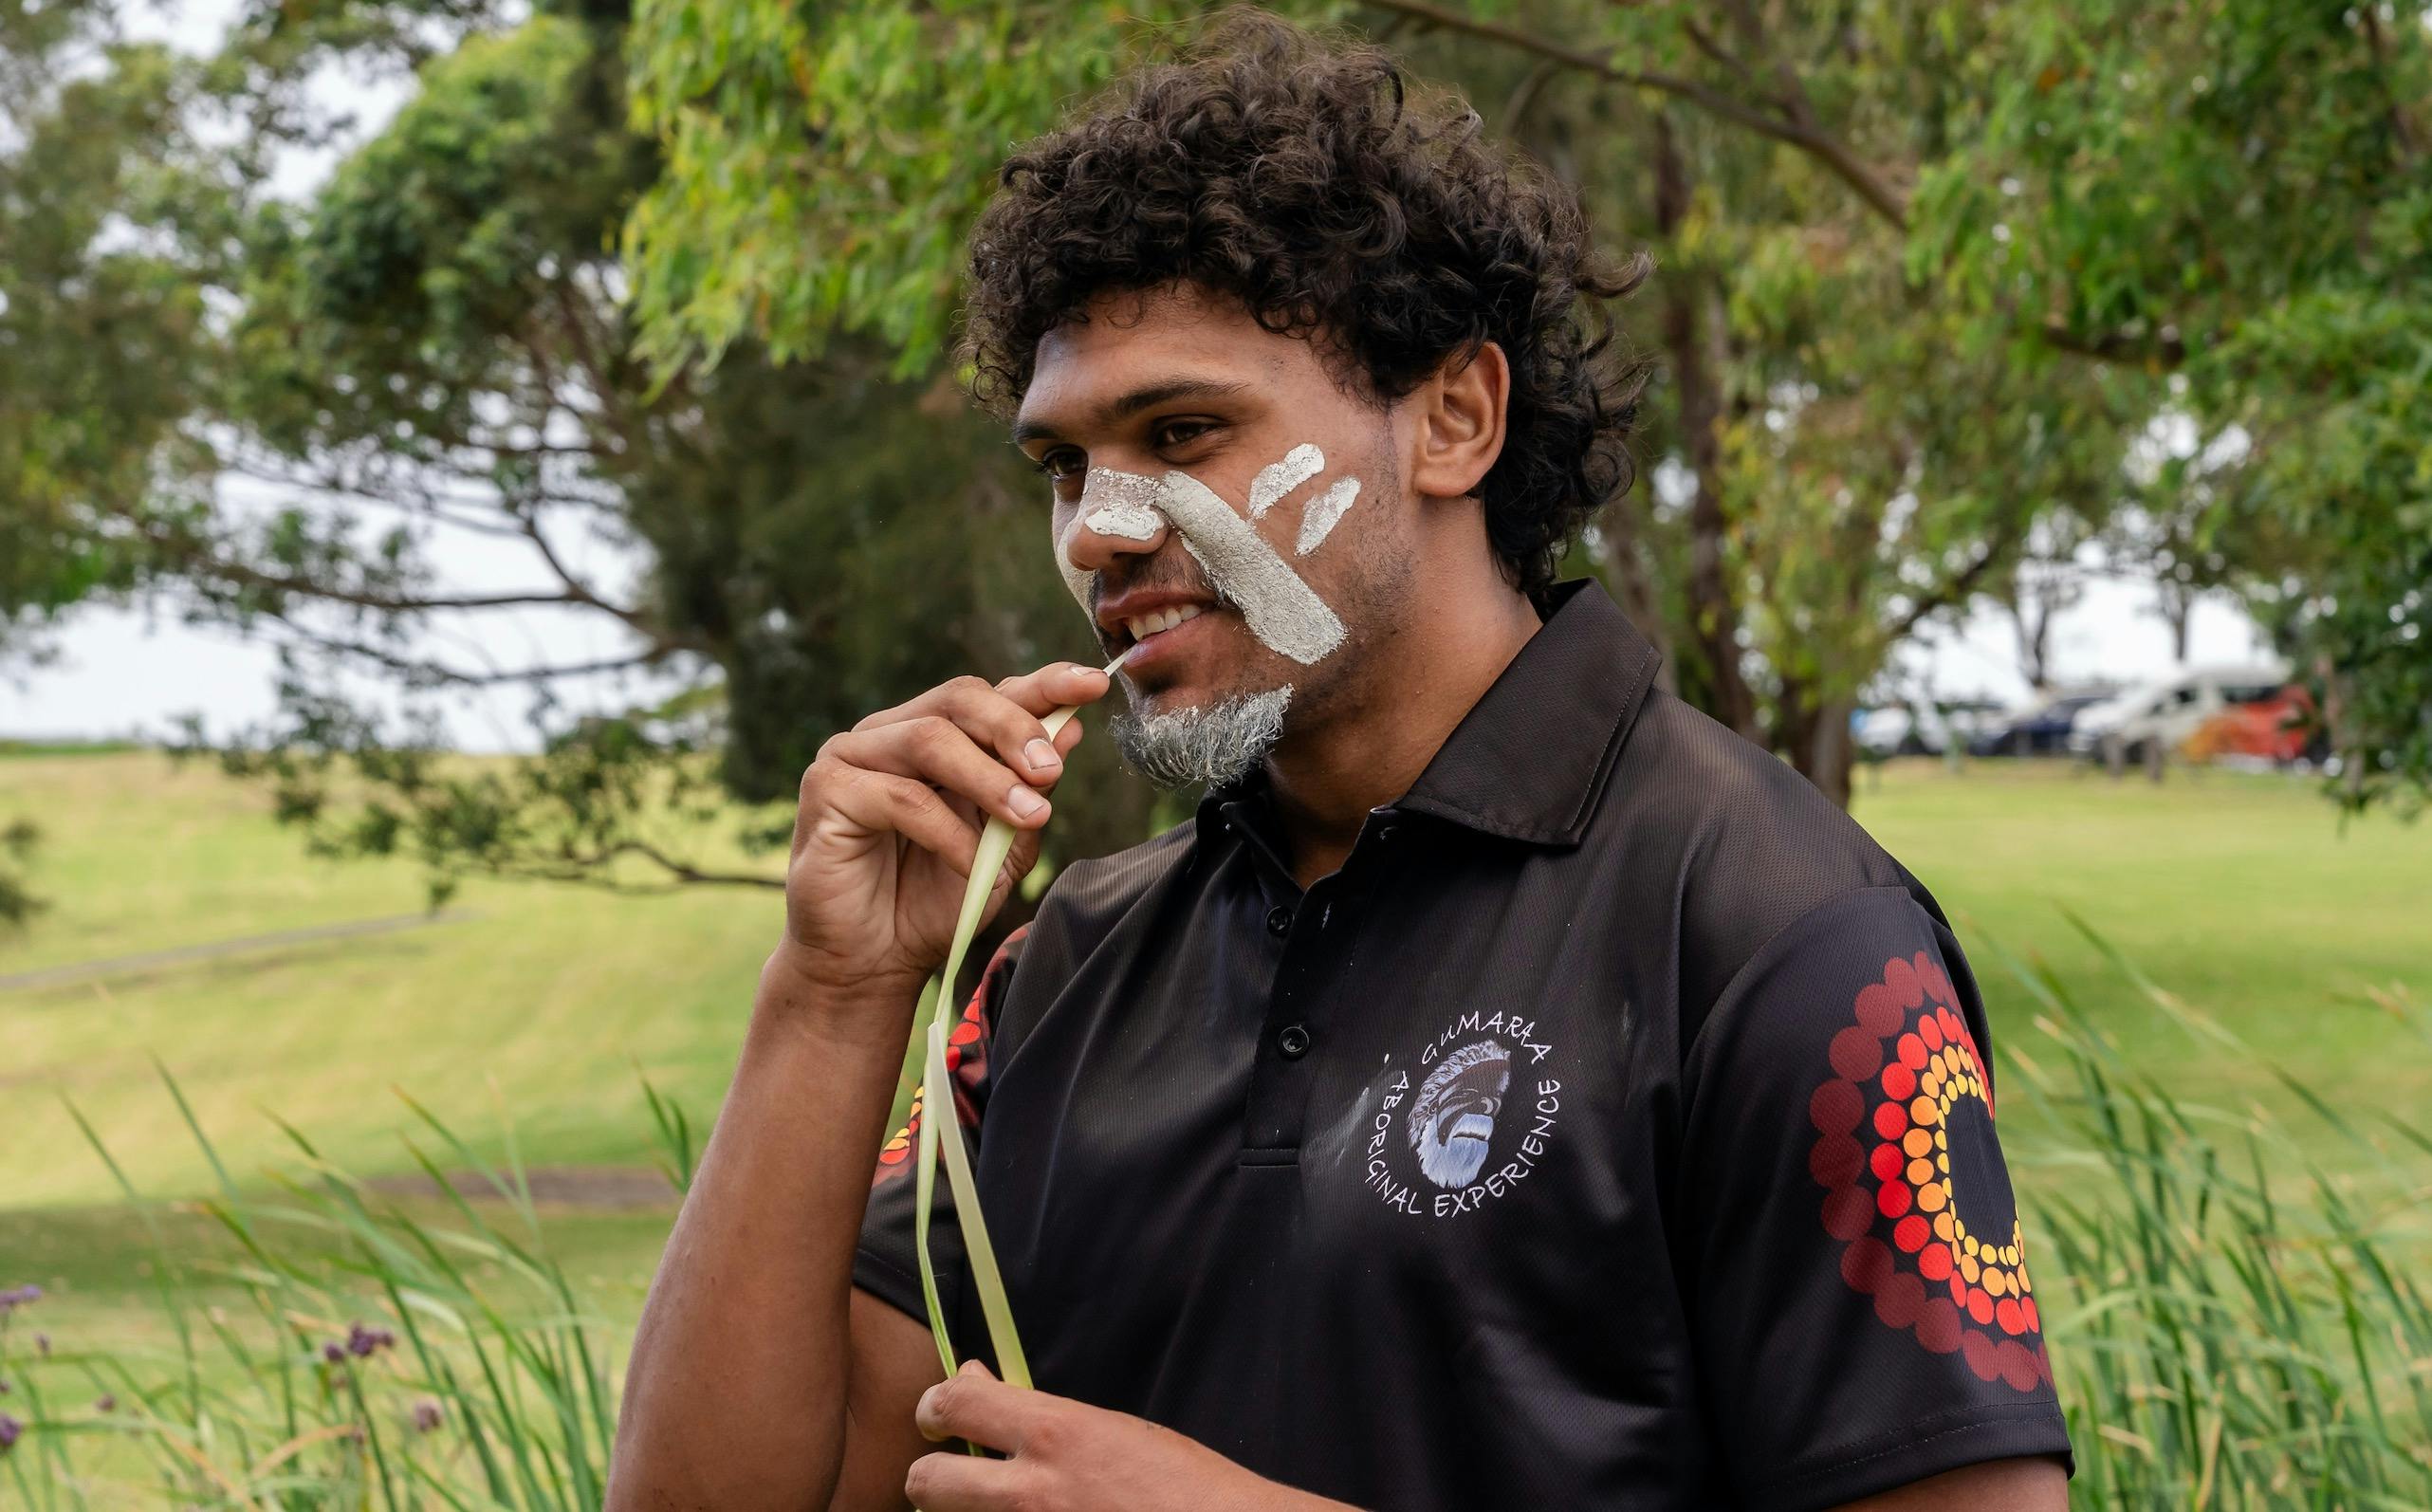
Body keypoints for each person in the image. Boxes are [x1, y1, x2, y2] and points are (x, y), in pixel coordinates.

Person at [607, 13, 2073, 1511]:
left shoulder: (1777, 931)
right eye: (1065, 466)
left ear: (1454, 418)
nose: (1101, 531)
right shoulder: (1058, 976)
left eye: (1183, 430)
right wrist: (831, 996)